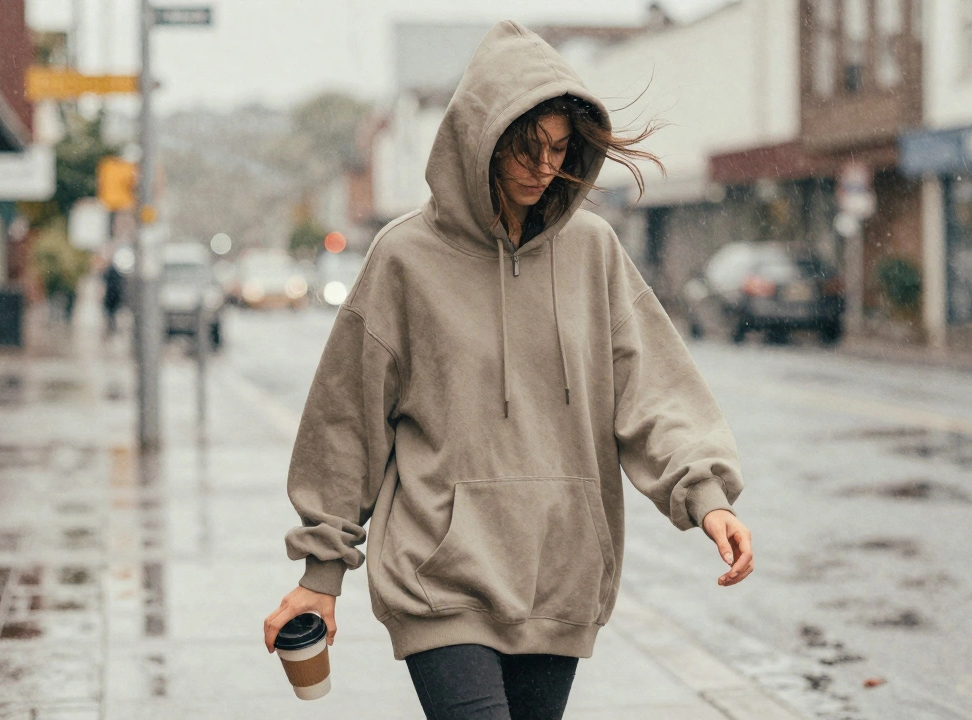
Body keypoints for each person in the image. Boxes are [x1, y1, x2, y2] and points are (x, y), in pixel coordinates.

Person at [264, 20, 753, 720]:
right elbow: (346, 423)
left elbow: (651, 390)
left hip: (558, 576)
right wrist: (320, 574)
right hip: (441, 580)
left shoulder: (593, 253)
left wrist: (707, 496)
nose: (543, 168)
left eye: (558, 149)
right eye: (524, 149)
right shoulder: (405, 259)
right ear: (479, 139)